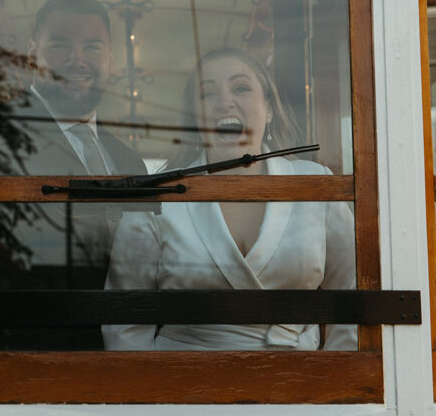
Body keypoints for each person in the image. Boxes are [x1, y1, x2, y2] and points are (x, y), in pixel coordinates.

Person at [0, 0, 146, 349]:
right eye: (59, 46)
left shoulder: (128, 160)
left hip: (112, 361)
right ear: (32, 53)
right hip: (13, 361)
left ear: (110, 58)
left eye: (92, 47)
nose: (77, 60)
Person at [102, 48, 356, 351]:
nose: (224, 102)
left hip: (299, 382)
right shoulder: (159, 197)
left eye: (240, 88)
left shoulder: (316, 185)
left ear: (269, 108)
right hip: (183, 384)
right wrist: (152, 393)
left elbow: (353, 293)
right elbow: (125, 316)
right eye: (207, 94)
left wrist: (334, 383)